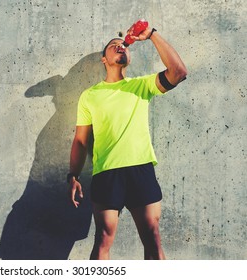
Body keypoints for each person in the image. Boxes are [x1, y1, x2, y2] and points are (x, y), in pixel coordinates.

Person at [67, 22, 187, 260]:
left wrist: (151, 35)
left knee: (153, 238)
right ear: (104, 59)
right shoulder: (90, 96)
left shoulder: (140, 86)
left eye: (123, 45)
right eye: (114, 45)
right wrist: (73, 175)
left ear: (129, 57)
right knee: (103, 239)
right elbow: (81, 140)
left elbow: (179, 72)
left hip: (140, 168)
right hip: (107, 173)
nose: (120, 46)